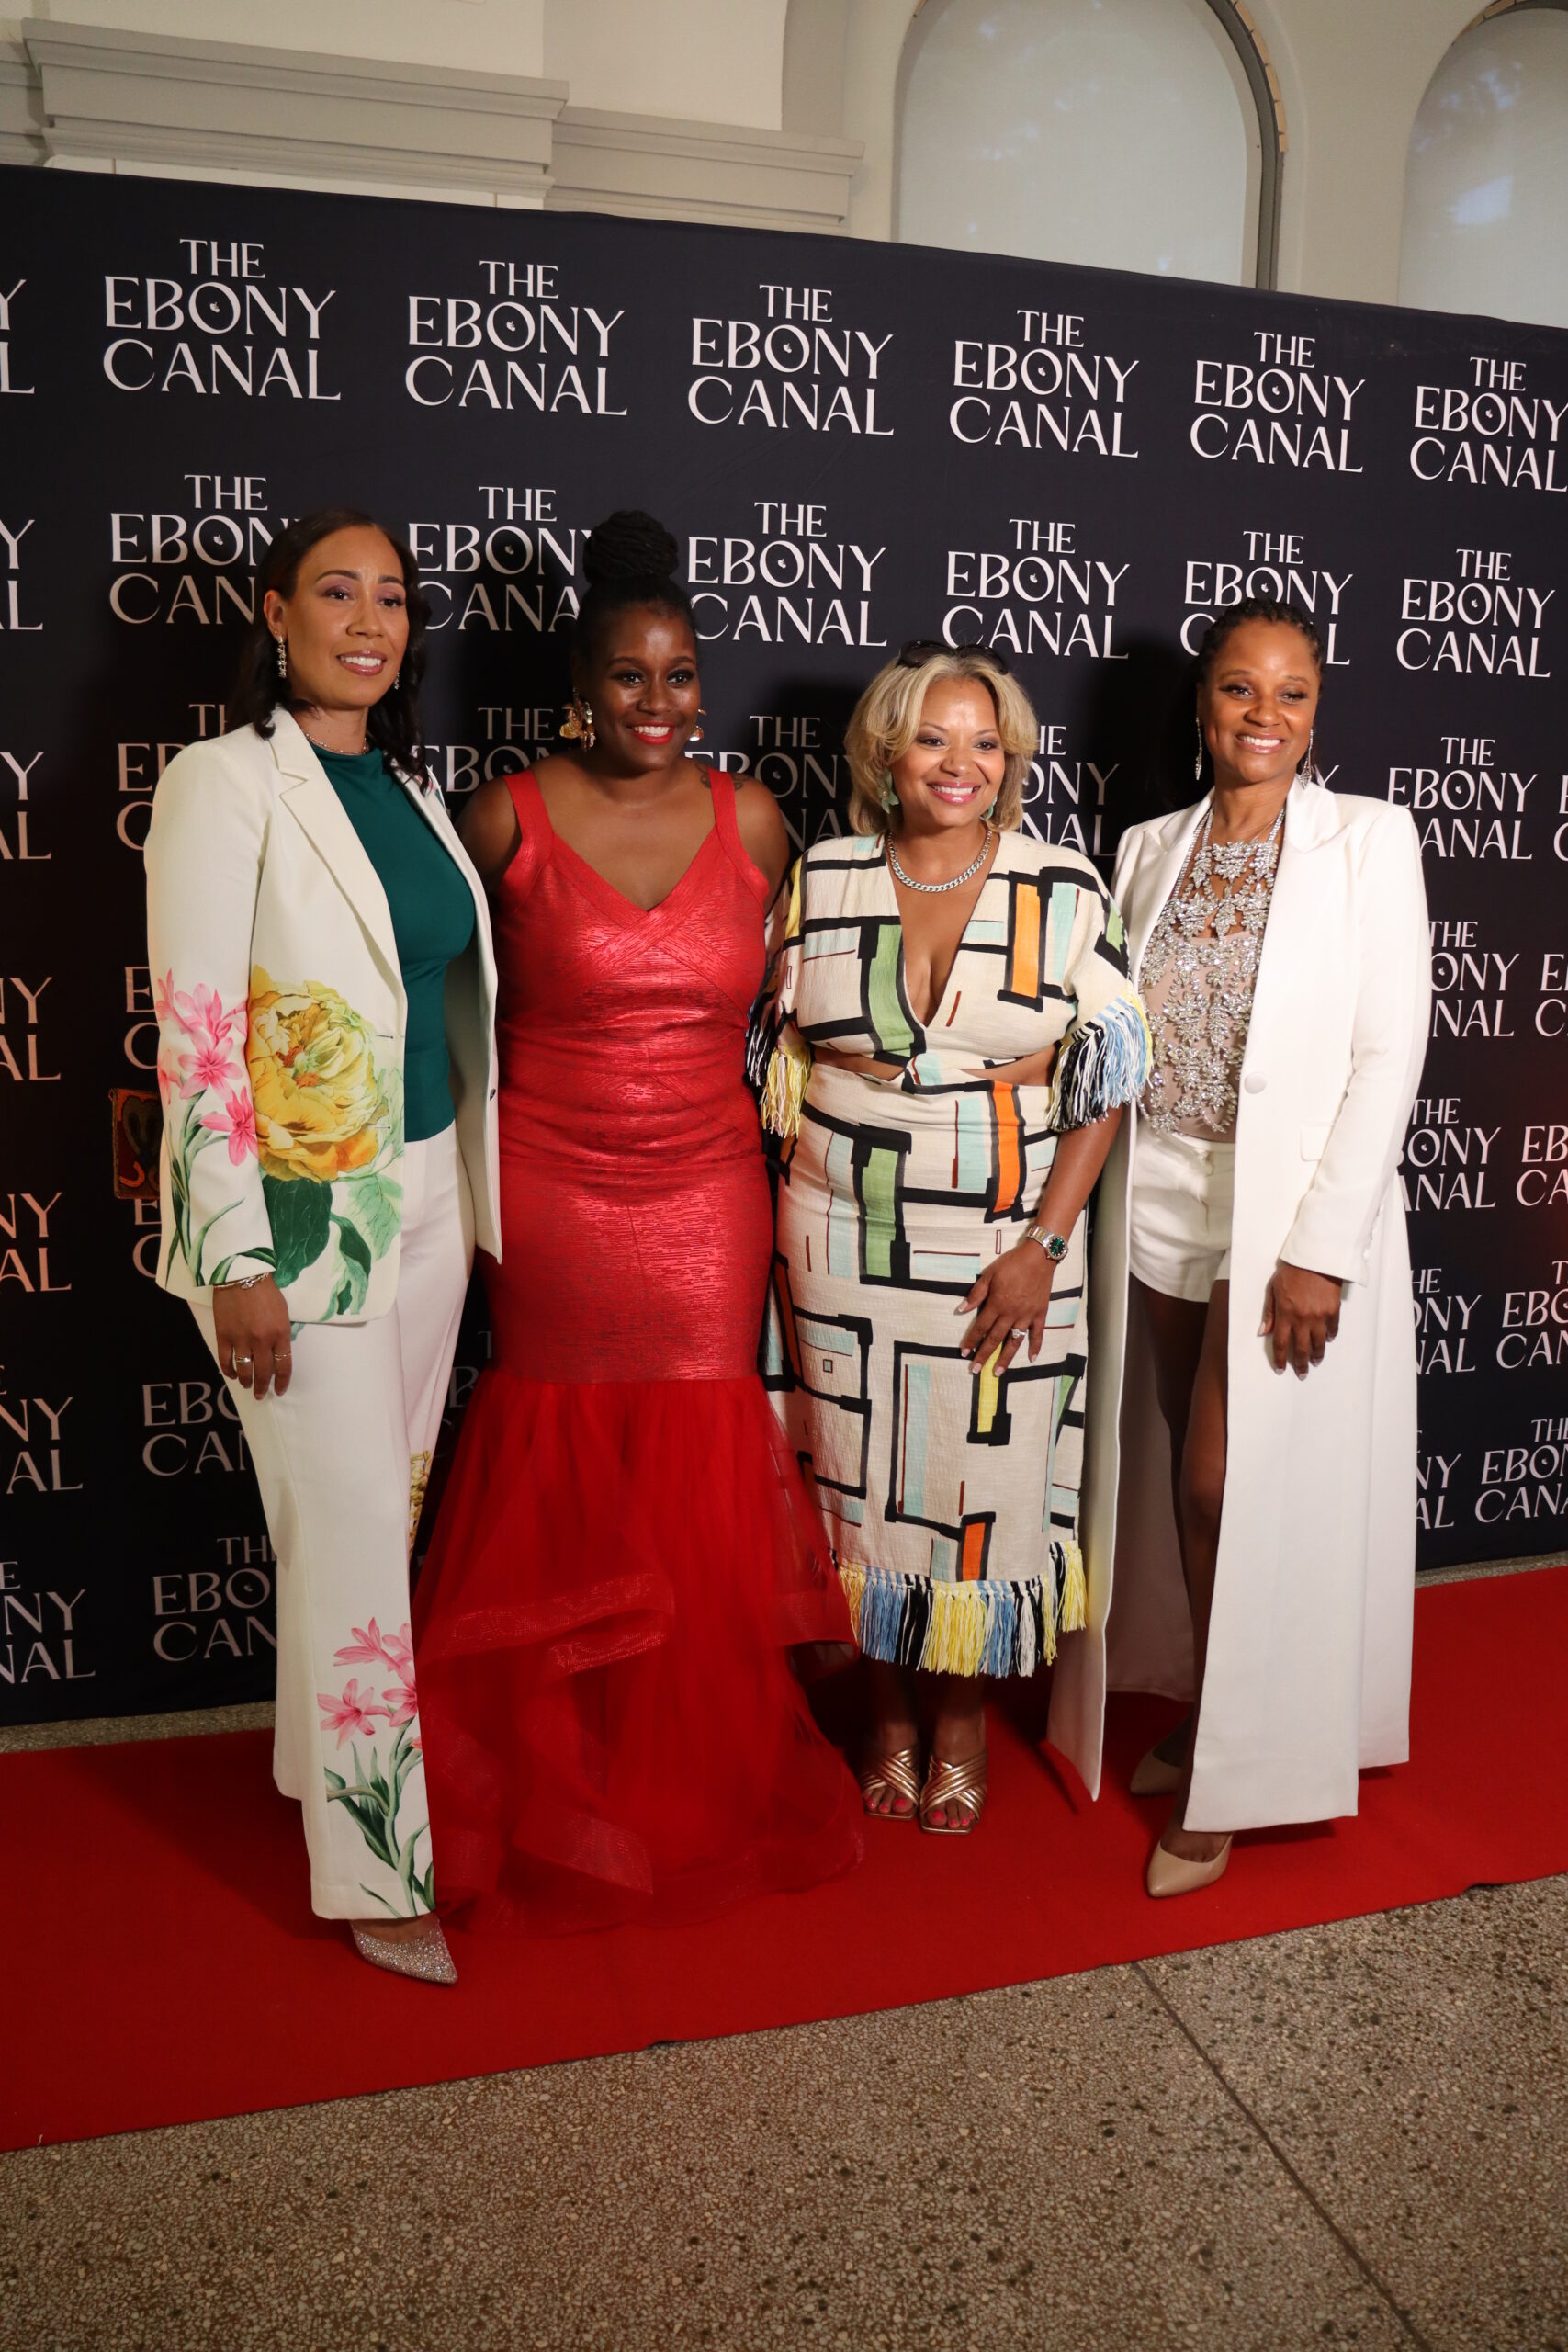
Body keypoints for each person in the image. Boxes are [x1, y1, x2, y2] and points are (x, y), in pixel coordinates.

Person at [410, 510, 862, 1928]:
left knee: (693, 1464)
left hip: (708, 1192)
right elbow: (427, 1005)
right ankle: (561, 1770)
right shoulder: (503, 815)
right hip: (550, 1188)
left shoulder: (755, 820)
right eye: (626, 674)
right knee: (562, 1459)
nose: (654, 702)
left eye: (678, 676)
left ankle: (685, 1772)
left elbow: (813, 1005)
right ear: (579, 685)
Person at [144, 506, 501, 1984]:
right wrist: (236, 1256)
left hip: (426, 1202)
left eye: (393, 599)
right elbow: (196, 1031)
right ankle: (375, 1872)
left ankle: (315, 1764)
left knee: (369, 1524)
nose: (369, 621)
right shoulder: (224, 782)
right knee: (352, 1532)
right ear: (275, 613)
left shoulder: (408, 790)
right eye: (337, 593)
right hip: (296, 1226)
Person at [1049, 597, 1430, 1897]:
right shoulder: (1147, 846)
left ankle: (1242, 1759)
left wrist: (1322, 1248)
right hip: (1160, 1191)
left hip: (1285, 1213)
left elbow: (1387, 1054)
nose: (1263, 715)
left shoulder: (1370, 842)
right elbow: (1115, 1030)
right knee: (1178, 1468)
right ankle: (1217, 1700)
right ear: (1203, 705)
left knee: (1224, 1482)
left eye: (1291, 693)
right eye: (1237, 689)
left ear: (1318, 713)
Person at [754, 645, 1151, 1834]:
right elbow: (773, 1054)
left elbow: (1108, 1075)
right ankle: (885, 1708)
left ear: (1012, 759)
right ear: (887, 752)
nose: (959, 763)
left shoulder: (1060, 885)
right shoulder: (825, 876)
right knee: (855, 1474)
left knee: (985, 1477)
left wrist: (1045, 1244)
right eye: (933, 738)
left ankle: (963, 1714)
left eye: (985, 741)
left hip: (1005, 1243)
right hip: (839, 1238)